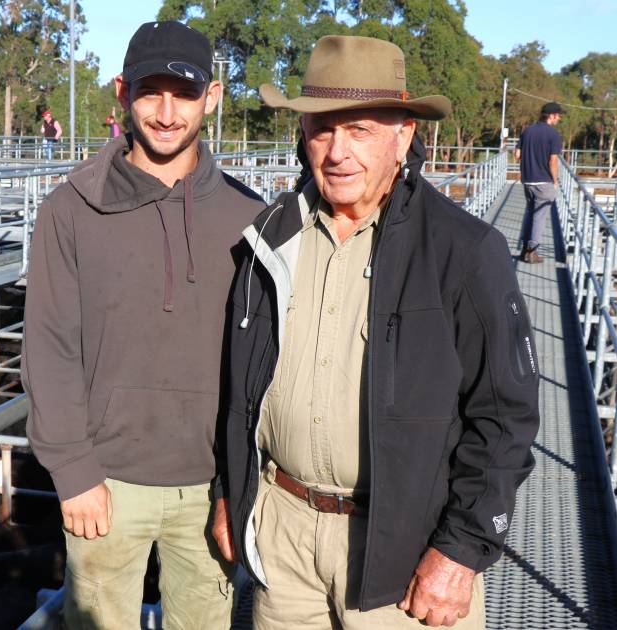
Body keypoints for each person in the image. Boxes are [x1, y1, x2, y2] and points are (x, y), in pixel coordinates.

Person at [213, 36, 540, 629]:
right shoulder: (269, 238)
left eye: (359, 129)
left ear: (403, 136)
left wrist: (461, 551)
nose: (338, 151)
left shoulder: (463, 252)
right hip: (284, 534)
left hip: (405, 549)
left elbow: (506, 416)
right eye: (321, 129)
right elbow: (239, 386)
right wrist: (228, 492)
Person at [23, 20, 264, 630]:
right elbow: (49, 345)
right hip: (105, 485)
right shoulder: (69, 208)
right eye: (150, 91)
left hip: (210, 489)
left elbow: (261, 361)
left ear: (211, 97)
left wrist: (239, 482)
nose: (165, 111)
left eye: (184, 93)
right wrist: (74, 472)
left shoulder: (250, 215)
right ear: (121, 91)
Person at [514, 102, 564, 263]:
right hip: (544, 181)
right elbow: (553, 161)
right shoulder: (553, 135)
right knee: (540, 216)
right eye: (558, 115)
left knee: (530, 214)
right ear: (552, 115)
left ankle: (524, 249)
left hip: (528, 181)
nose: (560, 118)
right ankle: (532, 252)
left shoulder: (527, 131)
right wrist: (555, 182)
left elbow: (517, 154)